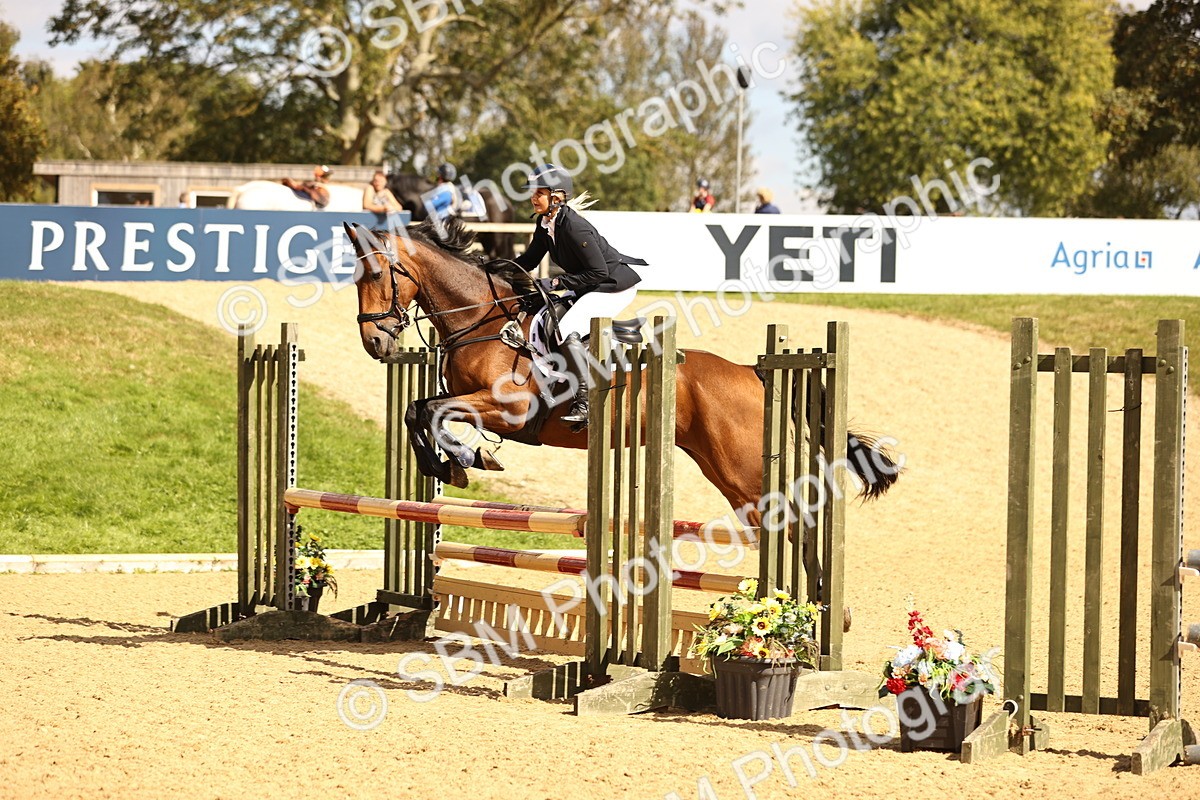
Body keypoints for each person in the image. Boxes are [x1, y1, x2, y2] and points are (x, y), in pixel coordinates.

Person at [514, 163, 647, 427]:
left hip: (613, 286)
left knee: (566, 328)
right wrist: (492, 268)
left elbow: (597, 271)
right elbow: (529, 260)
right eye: (532, 192)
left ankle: (585, 400)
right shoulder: (545, 224)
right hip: (591, 284)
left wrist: (555, 281)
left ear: (556, 196)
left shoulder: (574, 227)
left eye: (538, 192)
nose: (532, 198)